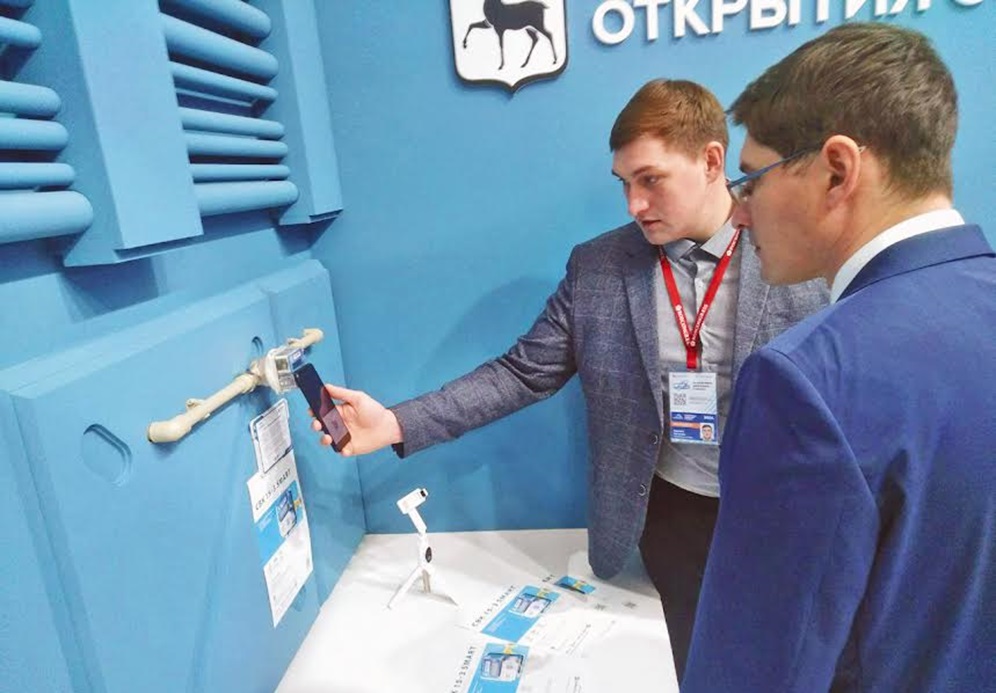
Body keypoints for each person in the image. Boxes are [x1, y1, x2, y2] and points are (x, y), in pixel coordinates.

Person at [315, 79, 827, 678]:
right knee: (684, 664)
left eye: (651, 179)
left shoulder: (798, 248)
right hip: (666, 518)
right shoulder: (600, 266)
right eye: (624, 183)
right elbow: (522, 372)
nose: (634, 204)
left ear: (712, 161)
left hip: (781, 515)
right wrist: (396, 423)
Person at [683, 23, 996, 692]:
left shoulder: (807, 382)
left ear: (837, 170)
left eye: (751, 180)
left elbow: (755, 672)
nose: (738, 214)